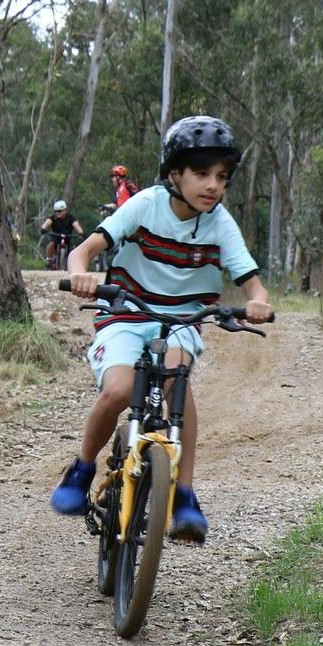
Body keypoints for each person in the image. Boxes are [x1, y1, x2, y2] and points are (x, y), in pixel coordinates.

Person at [49, 116, 272, 543]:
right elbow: (85, 250)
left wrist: (258, 302)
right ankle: (81, 469)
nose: (213, 185)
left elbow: (252, 283)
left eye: (222, 177)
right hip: (127, 313)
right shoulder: (146, 204)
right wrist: (81, 274)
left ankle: (185, 496)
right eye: (202, 173)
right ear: (175, 173)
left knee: (179, 388)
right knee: (117, 391)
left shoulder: (220, 222)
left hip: (181, 321)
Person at [39, 199, 82, 271]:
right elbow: (47, 223)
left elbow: (76, 225)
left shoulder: (70, 218)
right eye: (55, 211)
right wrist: (43, 228)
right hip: (56, 237)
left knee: (74, 248)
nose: (57, 213)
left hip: (68, 238)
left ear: (64, 210)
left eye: (59, 211)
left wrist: (81, 232)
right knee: (51, 244)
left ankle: (72, 263)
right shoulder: (53, 218)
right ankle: (48, 260)